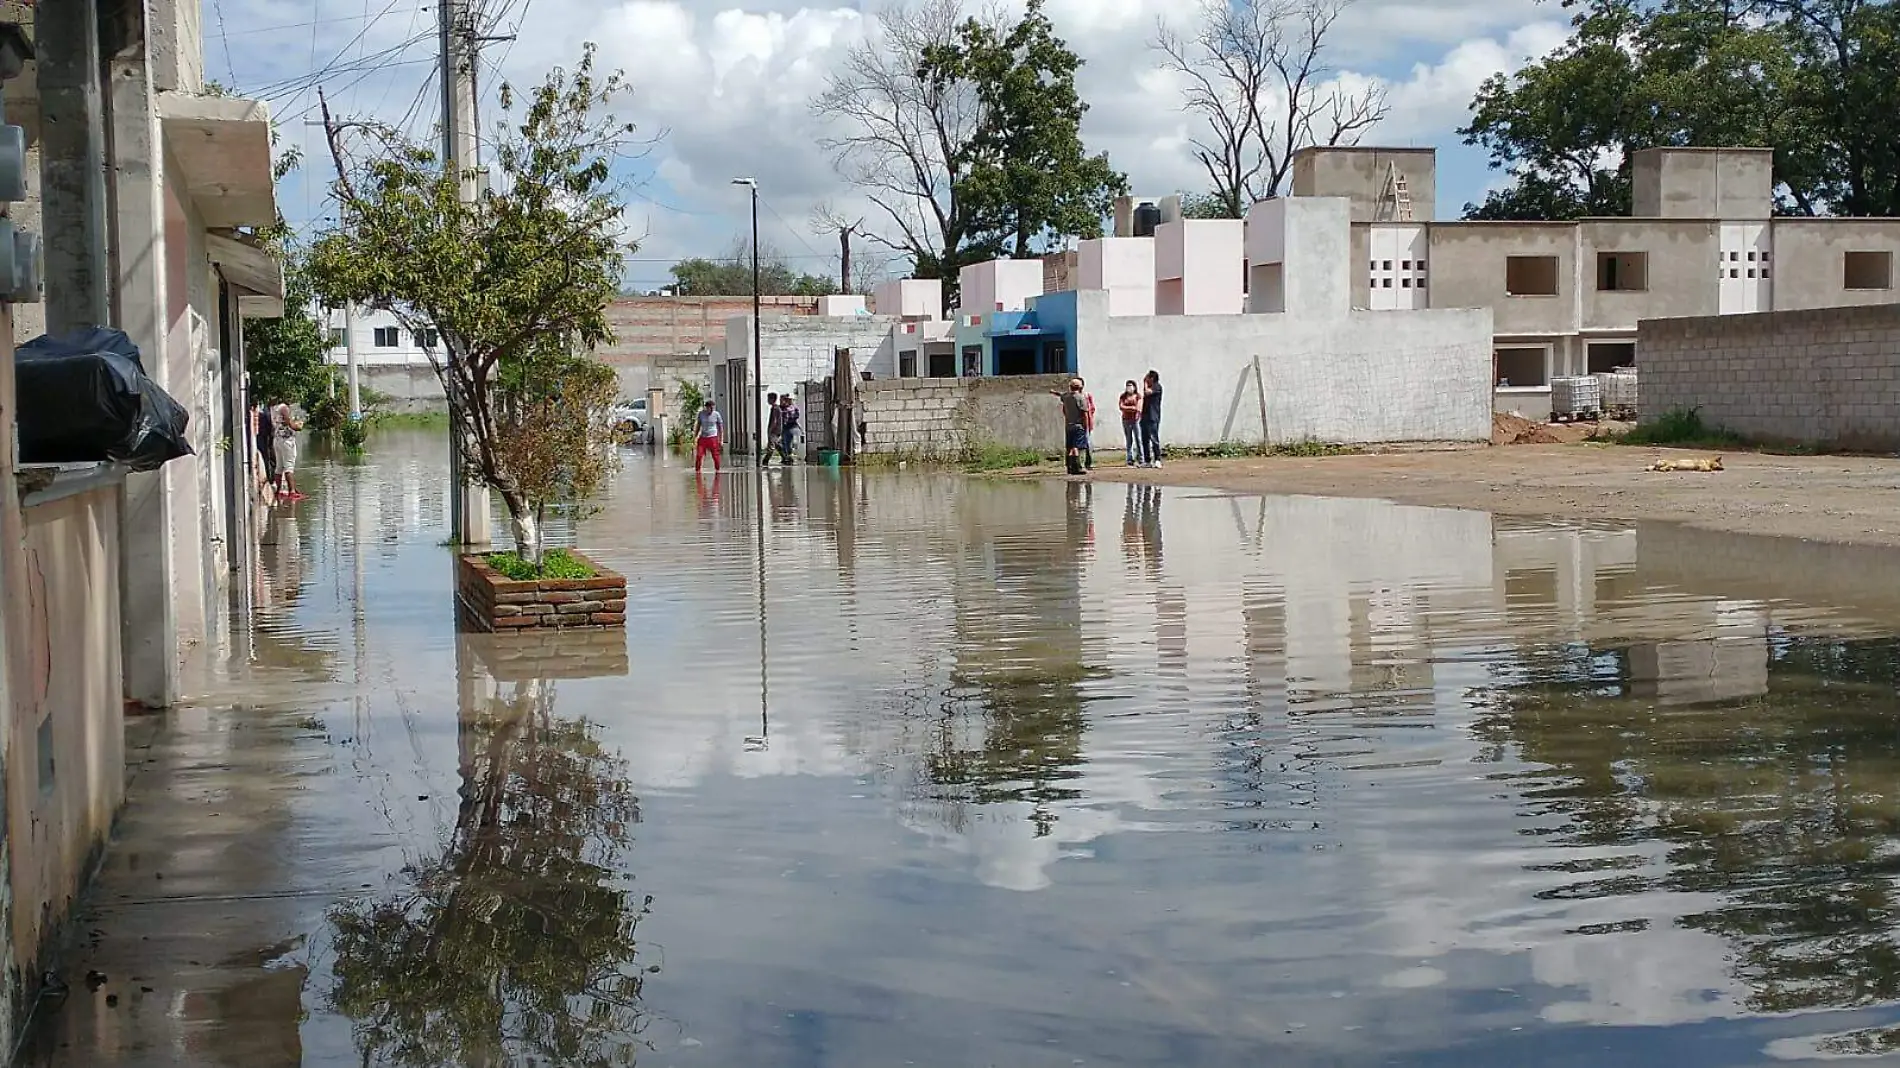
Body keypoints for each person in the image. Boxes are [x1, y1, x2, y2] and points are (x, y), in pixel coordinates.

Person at [271, 398, 305, 500]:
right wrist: (298, 427)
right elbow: (288, 422)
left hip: (277, 440)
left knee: (279, 467)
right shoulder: (284, 408)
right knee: (289, 466)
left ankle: (278, 490)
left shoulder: (275, 408)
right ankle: (292, 492)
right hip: (286, 441)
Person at [1059, 378, 1090, 476]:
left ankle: (1069, 467)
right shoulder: (1081, 398)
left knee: (1070, 447)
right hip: (1078, 425)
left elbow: (1061, 395)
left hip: (1068, 425)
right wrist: (1086, 426)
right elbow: (1084, 413)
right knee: (1078, 447)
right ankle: (1079, 467)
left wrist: (1053, 392)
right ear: (1080, 387)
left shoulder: (1066, 397)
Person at [1139, 369, 1164, 469]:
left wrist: (1144, 383)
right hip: (1145, 416)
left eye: (1147, 377)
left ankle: (1157, 459)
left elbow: (1147, 392)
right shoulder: (1149, 387)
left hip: (1153, 416)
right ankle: (1147, 460)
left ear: (1152, 378)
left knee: (1154, 438)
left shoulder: (1157, 387)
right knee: (1145, 439)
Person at [694, 399, 724, 474]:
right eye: (710, 408)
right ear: (706, 407)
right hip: (703, 437)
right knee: (699, 455)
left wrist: (721, 440)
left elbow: (721, 428)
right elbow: (698, 425)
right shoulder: (701, 414)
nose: (711, 410)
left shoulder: (716, 414)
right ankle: (697, 471)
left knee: (715, 456)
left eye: (713, 408)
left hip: (713, 437)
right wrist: (695, 436)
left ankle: (717, 470)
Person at [1117, 380, 1142, 466]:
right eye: (1127, 385)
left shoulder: (1138, 396)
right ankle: (1129, 459)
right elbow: (1121, 406)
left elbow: (1138, 408)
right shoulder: (1123, 396)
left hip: (1136, 420)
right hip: (1126, 420)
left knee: (1138, 439)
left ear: (1134, 387)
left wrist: (1127, 408)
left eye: (1131, 385)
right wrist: (1131, 408)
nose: (1129, 387)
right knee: (1128, 439)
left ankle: (1141, 458)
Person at [776, 393, 801, 465]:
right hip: (783, 427)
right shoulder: (781, 408)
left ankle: (789, 458)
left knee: (787, 443)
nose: (782, 401)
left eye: (784, 400)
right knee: (782, 442)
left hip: (789, 427)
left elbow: (794, 416)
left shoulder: (791, 408)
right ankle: (785, 457)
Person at [1079, 377, 1097, 471]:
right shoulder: (1074, 396)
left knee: (1088, 443)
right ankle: (1080, 464)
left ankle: (1088, 463)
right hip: (1078, 424)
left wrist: (1089, 419)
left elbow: (1092, 408)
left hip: (1087, 423)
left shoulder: (1087, 396)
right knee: (1080, 445)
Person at [765, 392, 782, 465]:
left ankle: (765, 461)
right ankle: (786, 458)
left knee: (771, 447)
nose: (767, 400)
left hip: (774, 430)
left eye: (768, 399)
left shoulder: (774, 408)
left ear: (772, 399)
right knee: (777, 445)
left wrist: (770, 430)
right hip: (778, 429)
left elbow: (774, 420)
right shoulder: (777, 408)